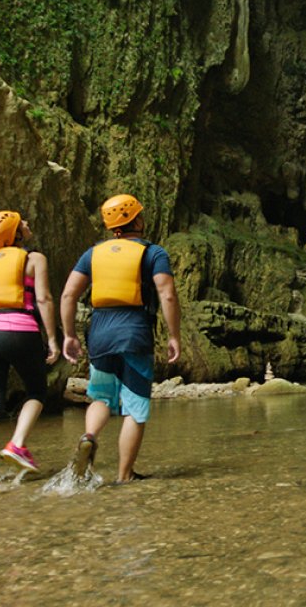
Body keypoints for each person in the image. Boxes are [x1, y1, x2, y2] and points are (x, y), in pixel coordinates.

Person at [60, 194, 181, 483]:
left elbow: (68, 295)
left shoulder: (92, 254)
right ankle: (124, 475)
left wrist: (68, 335)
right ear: (136, 220)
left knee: (101, 397)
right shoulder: (153, 253)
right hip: (134, 332)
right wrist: (174, 335)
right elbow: (167, 294)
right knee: (135, 406)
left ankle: (89, 436)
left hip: (99, 333)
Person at [0, 210, 60, 483]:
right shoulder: (34, 259)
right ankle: (17, 443)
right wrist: (52, 339)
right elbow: (43, 299)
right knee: (37, 390)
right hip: (20, 331)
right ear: (14, 233)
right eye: (21, 222)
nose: (26, 223)